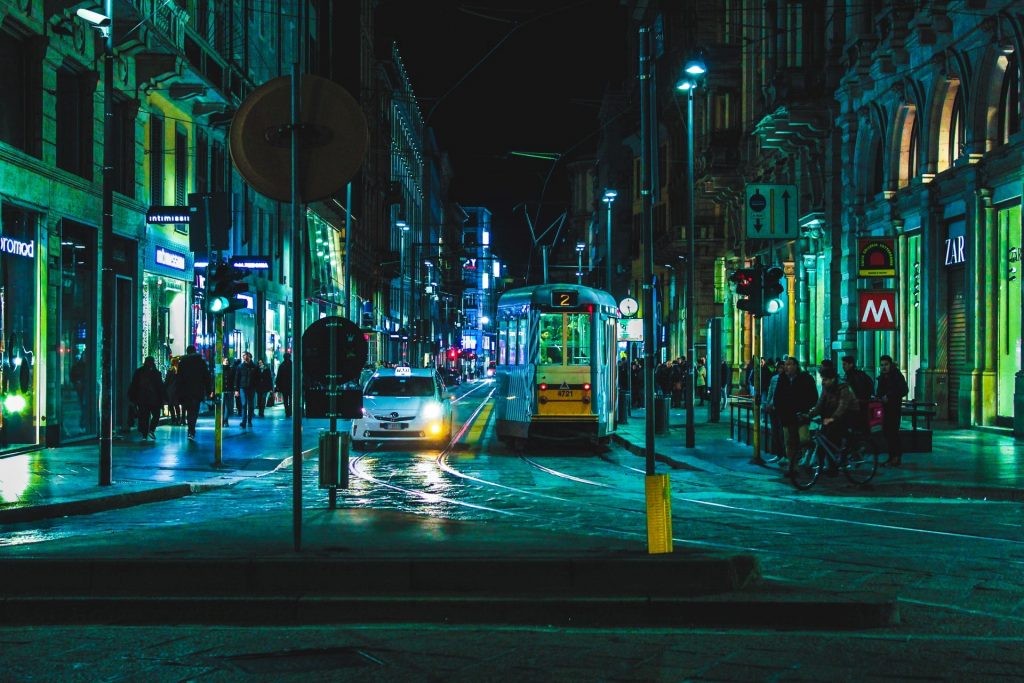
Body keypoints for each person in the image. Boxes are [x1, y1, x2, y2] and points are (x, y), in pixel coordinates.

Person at [771, 356, 818, 464]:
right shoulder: (782, 378)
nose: (786, 367)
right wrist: (780, 410)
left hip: (801, 415)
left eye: (789, 364)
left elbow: (813, 396)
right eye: (786, 365)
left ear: (795, 366)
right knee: (789, 441)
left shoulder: (805, 378)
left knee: (803, 439)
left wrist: (805, 409)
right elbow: (777, 396)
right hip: (787, 416)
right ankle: (791, 465)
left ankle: (806, 460)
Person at [807, 367, 859, 456]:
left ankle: (835, 462)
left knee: (832, 435)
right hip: (832, 411)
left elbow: (843, 405)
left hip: (849, 412)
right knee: (823, 435)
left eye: (825, 379)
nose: (823, 382)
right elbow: (821, 403)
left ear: (833, 379)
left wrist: (832, 418)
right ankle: (823, 464)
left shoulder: (843, 387)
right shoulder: (826, 387)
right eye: (822, 379)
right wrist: (810, 414)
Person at [876, 354, 909, 466]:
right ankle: (891, 457)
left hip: (894, 409)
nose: (884, 367)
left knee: (893, 433)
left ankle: (896, 457)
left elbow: (904, 390)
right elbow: (879, 391)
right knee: (887, 433)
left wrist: (889, 396)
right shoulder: (882, 377)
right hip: (884, 409)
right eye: (882, 365)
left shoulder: (896, 376)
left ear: (890, 365)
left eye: (886, 364)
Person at [176, 345, 212, 440]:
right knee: (194, 411)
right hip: (197, 390)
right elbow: (206, 377)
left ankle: (190, 430)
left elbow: (179, 378)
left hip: (186, 391)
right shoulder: (201, 362)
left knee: (188, 411)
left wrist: (178, 391)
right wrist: (209, 390)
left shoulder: (183, 362)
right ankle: (192, 430)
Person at [127, 356, 165, 441]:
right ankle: (150, 430)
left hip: (143, 398)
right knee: (155, 415)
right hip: (153, 399)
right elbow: (160, 387)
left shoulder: (139, 372)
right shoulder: (155, 373)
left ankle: (145, 434)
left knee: (144, 416)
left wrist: (132, 397)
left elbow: (134, 385)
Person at [841, 355, 874, 431]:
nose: (843, 366)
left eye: (845, 364)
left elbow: (857, 390)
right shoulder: (856, 375)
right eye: (843, 364)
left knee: (856, 427)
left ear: (851, 364)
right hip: (860, 404)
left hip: (857, 405)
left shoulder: (854, 376)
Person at [235, 351, 257, 429]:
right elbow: (237, 378)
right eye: (243, 356)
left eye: (245, 355)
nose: (244, 357)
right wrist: (236, 390)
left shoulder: (254, 366)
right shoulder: (240, 366)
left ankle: (249, 421)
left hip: (251, 387)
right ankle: (243, 422)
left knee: (250, 405)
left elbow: (257, 378)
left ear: (249, 356)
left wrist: (256, 387)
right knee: (244, 404)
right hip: (242, 387)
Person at [164, 358, 182, 426]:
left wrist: (164, 387)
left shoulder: (170, 370)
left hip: (170, 390)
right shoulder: (179, 371)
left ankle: (173, 419)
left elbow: (167, 380)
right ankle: (178, 419)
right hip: (177, 390)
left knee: (171, 405)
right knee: (176, 405)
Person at [275, 352, 293, 418]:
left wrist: (277, 385)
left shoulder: (282, 365)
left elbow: (279, 376)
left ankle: (287, 411)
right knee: (290, 399)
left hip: (284, 385)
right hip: (290, 385)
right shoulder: (292, 365)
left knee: (286, 399)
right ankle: (289, 411)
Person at [221, 357, 236, 426]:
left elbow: (233, 380)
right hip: (222, 390)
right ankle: (222, 420)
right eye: (224, 360)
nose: (226, 361)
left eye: (227, 360)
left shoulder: (231, 370)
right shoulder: (220, 370)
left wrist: (234, 389)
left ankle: (225, 420)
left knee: (227, 406)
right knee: (221, 405)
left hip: (229, 390)